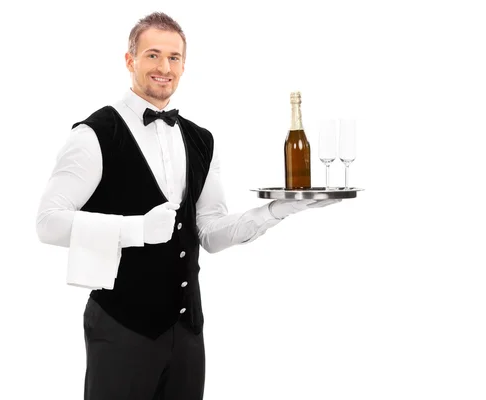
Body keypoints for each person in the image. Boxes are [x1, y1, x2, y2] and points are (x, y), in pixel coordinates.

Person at [35, 11, 340, 400]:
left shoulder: (201, 139)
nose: (164, 67)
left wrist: (276, 210)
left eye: (174, 57)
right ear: (130, 60)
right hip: (120, 327)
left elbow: (209, 232)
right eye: (152, 55)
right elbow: (48, 223)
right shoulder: (94, 134)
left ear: (183, 65)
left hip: (188, 331)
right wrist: (135, 230)